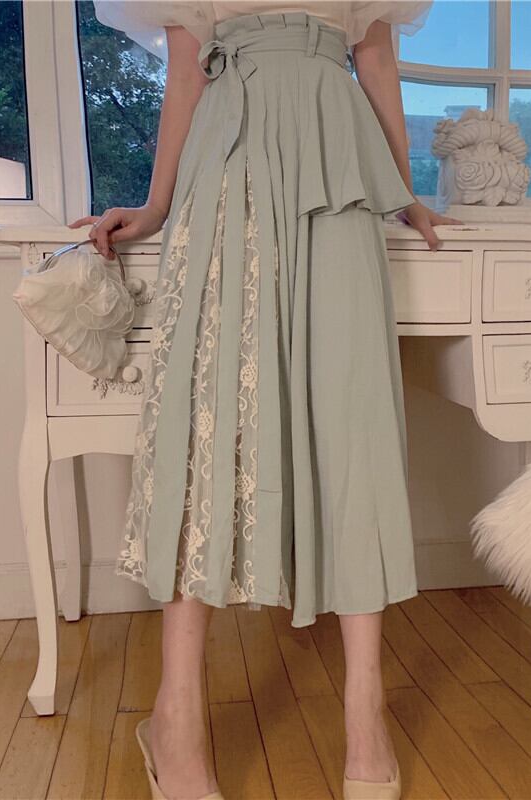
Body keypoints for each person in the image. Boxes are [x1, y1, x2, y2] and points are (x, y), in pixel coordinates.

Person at [69, 2, 460, 798]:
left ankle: (365, 712)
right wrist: (156, 206)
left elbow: (375, 61)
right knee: (207, 422)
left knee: (353, 418)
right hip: (229, 154)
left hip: (336, 156)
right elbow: (187, 73)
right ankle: (177, 716)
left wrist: (404, 192)